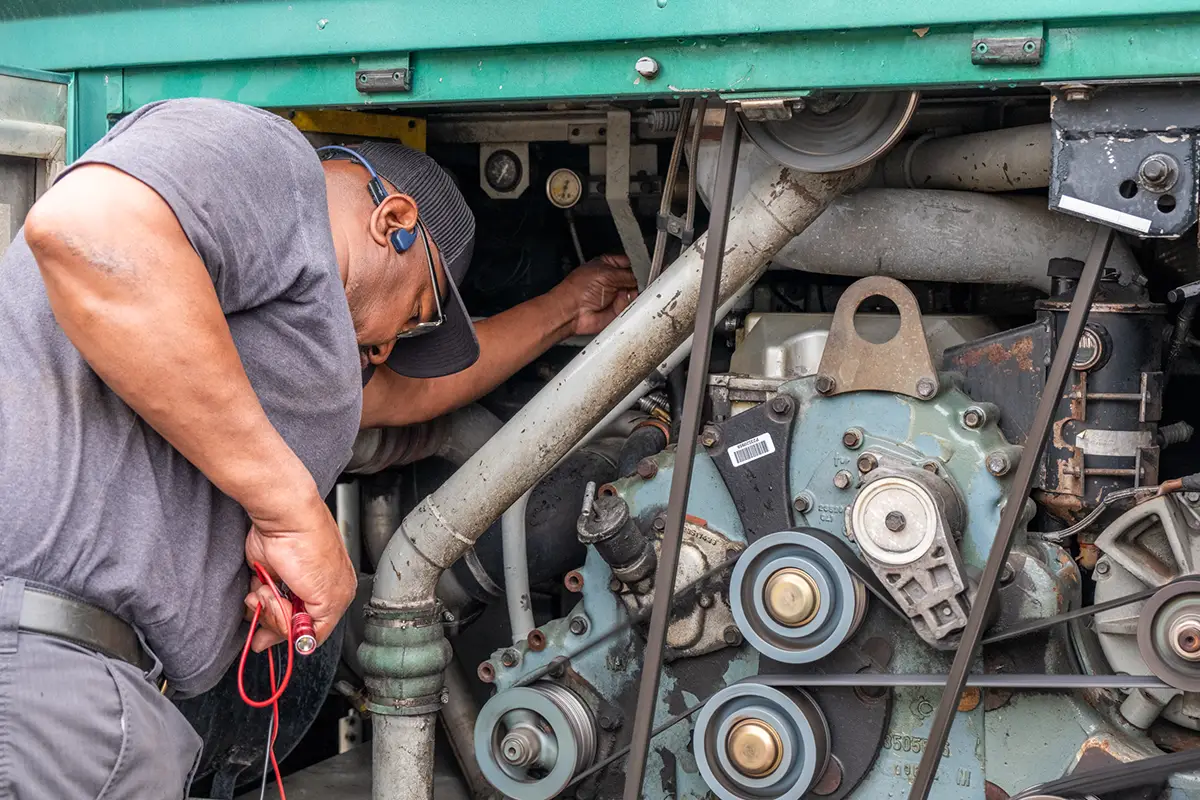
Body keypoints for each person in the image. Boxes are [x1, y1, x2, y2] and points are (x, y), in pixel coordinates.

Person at [0, 97, 635, 798]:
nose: (389, 349)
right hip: (47, 681)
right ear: (393, 222)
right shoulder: (275, 164)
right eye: (417, 316)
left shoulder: (285, 334)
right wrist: (292, 514)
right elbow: (86, 228)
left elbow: (414, 395)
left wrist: (566, 311)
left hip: (108, 696)